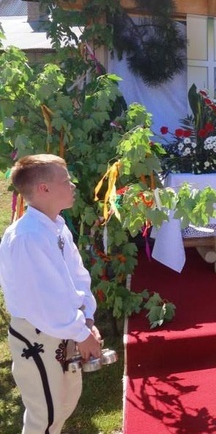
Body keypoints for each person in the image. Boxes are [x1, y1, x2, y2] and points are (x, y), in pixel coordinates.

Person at [0, 154, 102, 434]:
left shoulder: (56, 228)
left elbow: (76, 277)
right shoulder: (27, 237)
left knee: (64, 404)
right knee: (45, 415)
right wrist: (80, 333)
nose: (72, 186)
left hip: (64, 326)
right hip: (38, 333)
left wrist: (87, 321)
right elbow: (42, 301)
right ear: (43, 188)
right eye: (66, 180)